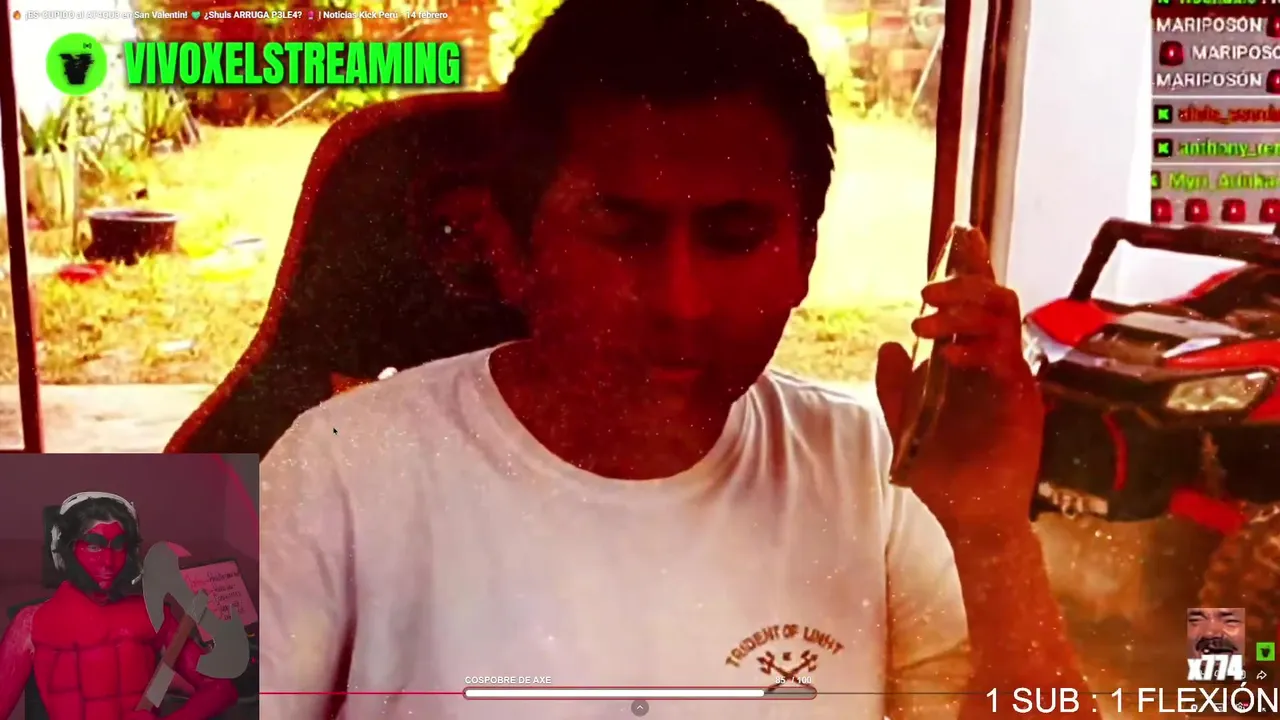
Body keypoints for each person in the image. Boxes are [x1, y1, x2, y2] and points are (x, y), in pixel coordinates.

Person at [258, 1, 1092, 718]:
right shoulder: (329, 469)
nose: (682, 302)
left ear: (804, 258)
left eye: (736, 238)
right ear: (508, 248)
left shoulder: (872, 475)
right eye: (622, 236)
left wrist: (993, 538)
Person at [0, 492, 239, 720]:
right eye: (94, 546)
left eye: (117, 546)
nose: (108, 561)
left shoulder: (152, 614)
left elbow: (220, 687)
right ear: (67, 548)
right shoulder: (30, 624)